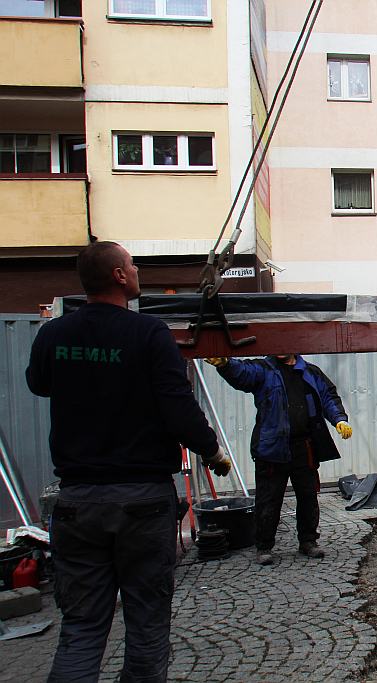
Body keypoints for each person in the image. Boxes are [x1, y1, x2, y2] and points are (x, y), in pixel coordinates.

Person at [25, 241, 231, 682]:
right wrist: (212, 451)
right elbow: (178, 407)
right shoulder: (148, 334)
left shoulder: (53, 335)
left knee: (80, 629)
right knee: (146, 625)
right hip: (143, 501)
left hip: (78, 502)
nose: (137, 271)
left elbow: (40, 384)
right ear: (119, 276)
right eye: (133, 265)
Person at [204, 354, 351, 565]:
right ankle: (264, 546)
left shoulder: (310, 372)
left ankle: (308, 541)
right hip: (272, 448)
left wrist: (339, 419)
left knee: (308, 496)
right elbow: (243, 373)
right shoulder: (263, 370)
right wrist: (227, 365)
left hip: (304, 447)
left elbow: (328, 396)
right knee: (268, 500)